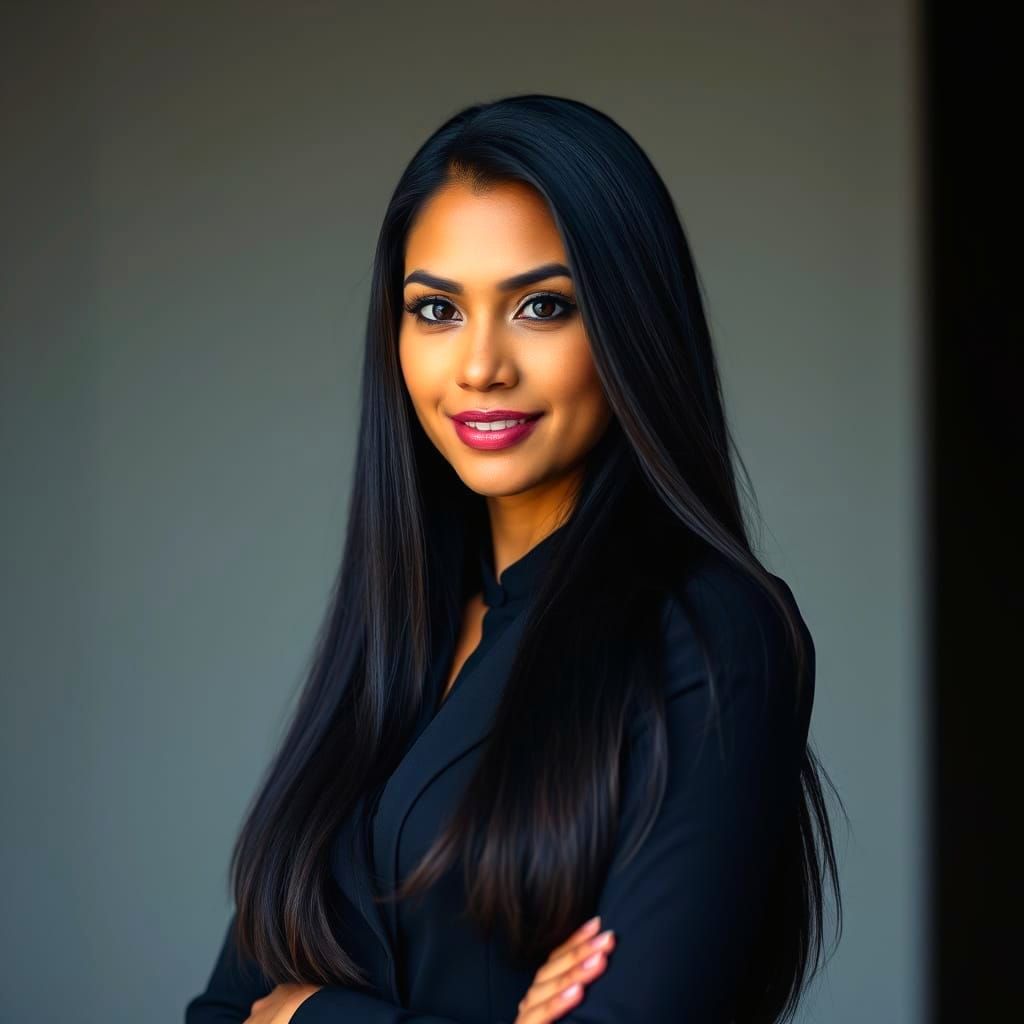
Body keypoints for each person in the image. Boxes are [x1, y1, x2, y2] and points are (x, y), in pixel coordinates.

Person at [184, 94, 843, 1024]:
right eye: (437, 309)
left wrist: (303, 1015)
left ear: (630, 324)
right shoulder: (395, 635)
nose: (481, 365)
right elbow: (216, 1012)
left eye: (541, 306)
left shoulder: (711, 627)